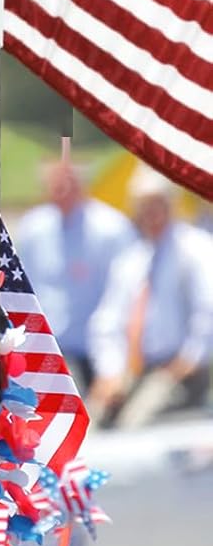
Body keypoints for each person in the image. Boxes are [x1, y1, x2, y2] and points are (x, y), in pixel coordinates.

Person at [85, 166, 213, 429]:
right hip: (135, 369)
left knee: (135, 423)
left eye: (156, 205)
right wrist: (110, 373)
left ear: (171, 205)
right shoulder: (133, 260)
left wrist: (188, 360)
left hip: (181, 371)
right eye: (144, 207)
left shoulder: (195, 250)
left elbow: (207, 311)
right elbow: (107, 322)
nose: (150, 215)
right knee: (92, 418)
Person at [11, 157, 135, 390]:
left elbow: (125, 294)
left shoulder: (111, 228)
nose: (62, 190)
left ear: (82, 184)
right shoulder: (33, 228)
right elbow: (25, 288)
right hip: (51, 348)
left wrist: (116, 361)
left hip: (101, 349)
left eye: (68, 182)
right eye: (56, 183)